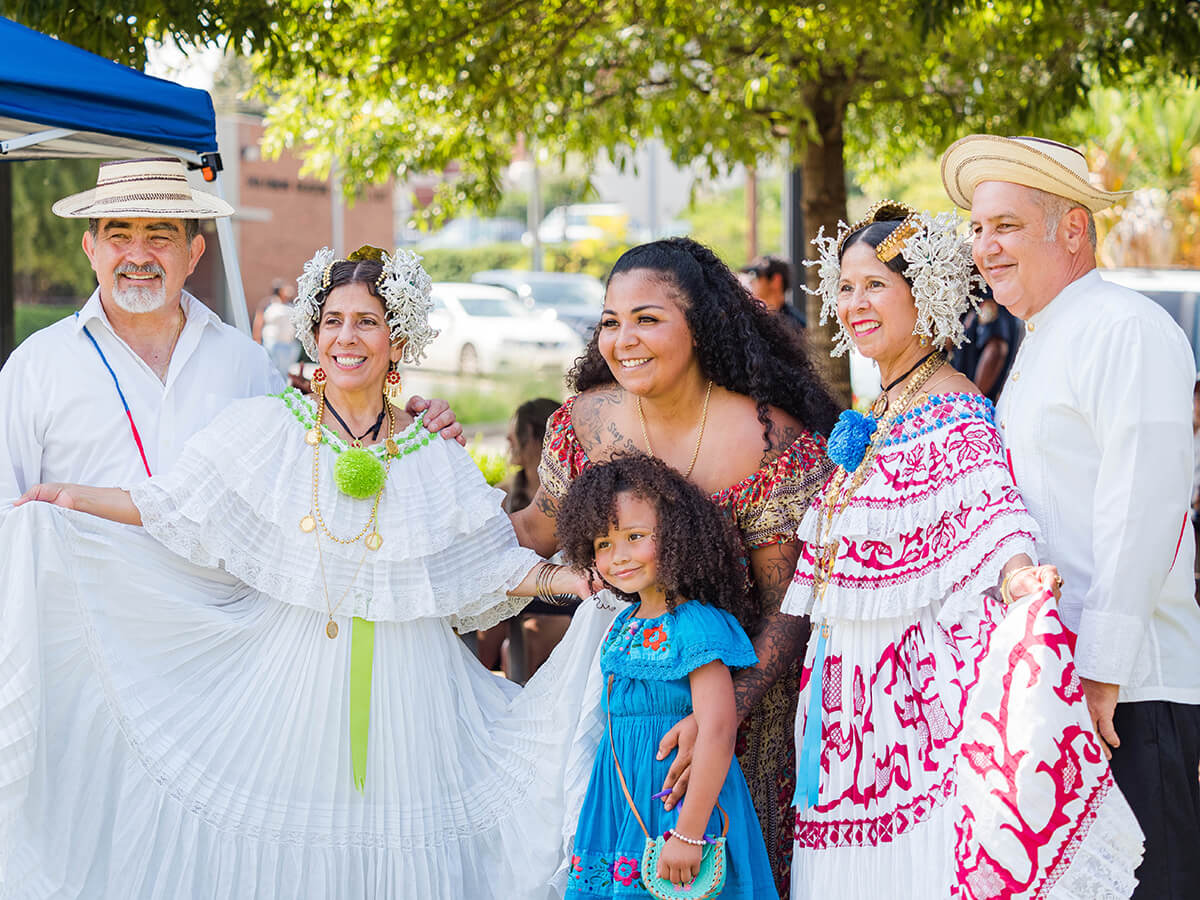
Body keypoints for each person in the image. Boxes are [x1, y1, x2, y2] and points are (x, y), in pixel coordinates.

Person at [0, 246, 614, 898]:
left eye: (367, 322)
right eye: (333, 321)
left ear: (397, 339)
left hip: (415, 697)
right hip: (286, 689)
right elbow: (170, 506)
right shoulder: (266, 428)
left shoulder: (433, 449)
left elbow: (485, 565)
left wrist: (570, 582)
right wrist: (69, 502)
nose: (347, 337)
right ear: (313, 334)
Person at [783, 200, 1142, 898]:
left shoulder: (955, 412)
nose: (856, 302)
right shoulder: (881, 410)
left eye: (876, 285)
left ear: (930, 294)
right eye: (846, 286)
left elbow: (998, 517)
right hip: (846, 712)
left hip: (908, 720)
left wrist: (1018, 579)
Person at [511, 237, 840, 897]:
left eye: (647, 318)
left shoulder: (768, 438)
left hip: (737, 721)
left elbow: (792, 608)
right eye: (610, 320)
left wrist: (716, 717)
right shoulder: (583, 423)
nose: (623, 338)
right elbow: (532, 531)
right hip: (626, 720)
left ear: (700, 326)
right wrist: (417, 472)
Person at [942, 134, 1200, 899]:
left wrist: (1099, 672)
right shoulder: (1046, 337)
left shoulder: (1124, 327)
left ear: (1074, 230)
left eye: (1006, 226)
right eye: (978, 229)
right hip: (1054, 688)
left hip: (1127, 694)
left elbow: (1143, 505)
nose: (985, 247)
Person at [0, 157, 461, 504]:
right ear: (90, 249)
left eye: (160, 236)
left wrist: (414, 429)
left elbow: (314, 459)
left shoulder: (244, 361)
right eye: (119, 235)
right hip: (82, 628)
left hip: (228, 627)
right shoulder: (36, 367)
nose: (138, 255)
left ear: (195, 252)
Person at [556, 455, 774, 898]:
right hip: (621, 799)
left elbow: (716, 729)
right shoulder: (625, 622)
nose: (618, 557)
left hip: (678, 807)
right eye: (603, 543)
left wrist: (690, 833)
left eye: (635, 537)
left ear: (676, 537)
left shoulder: (694, 623)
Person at [476, 396, 569, 679]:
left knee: (525, 638)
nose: (507, 440)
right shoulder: (503, 495)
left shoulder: (574, 494)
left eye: (513, 434)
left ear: (534, 437)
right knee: (483, 629)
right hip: (519, 599)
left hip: (565, 601)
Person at [950, 285, 1019, 401]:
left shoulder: (990, 301)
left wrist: (974, 399)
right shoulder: (971, 301)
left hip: (975, 403)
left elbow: (996, 350)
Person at [253, 278, 303, 378]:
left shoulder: (290, 305)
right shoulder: (268, 304)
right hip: (273, 343)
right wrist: (256, 340)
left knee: (284, 372)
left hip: (289, 344)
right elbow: (258, 322)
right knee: (274, 371)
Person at [742, 254, 805, 332]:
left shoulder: (798, 327)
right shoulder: (748, 319)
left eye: (756, 275)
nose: (751, 282)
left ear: (776, 281)